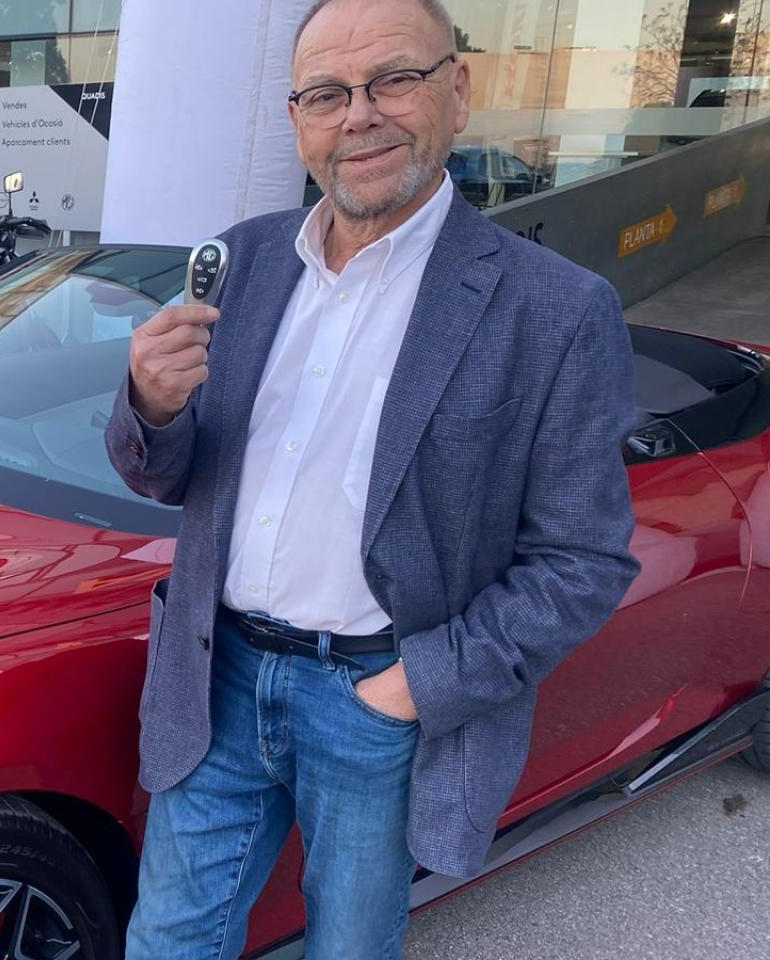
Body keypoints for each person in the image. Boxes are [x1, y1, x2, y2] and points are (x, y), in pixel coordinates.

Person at [104, 0, 642, 957]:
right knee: (167, 943)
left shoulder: (555, 310)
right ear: (298, 120)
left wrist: (411, 688)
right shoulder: (247, 258)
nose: (359, 115)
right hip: (216, 675)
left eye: (393, 79)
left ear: (458, 92)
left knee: (350, 947)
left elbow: (583, 559)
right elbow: (169, 477)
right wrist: (151, 404)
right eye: (326, 94)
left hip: (377, 699)